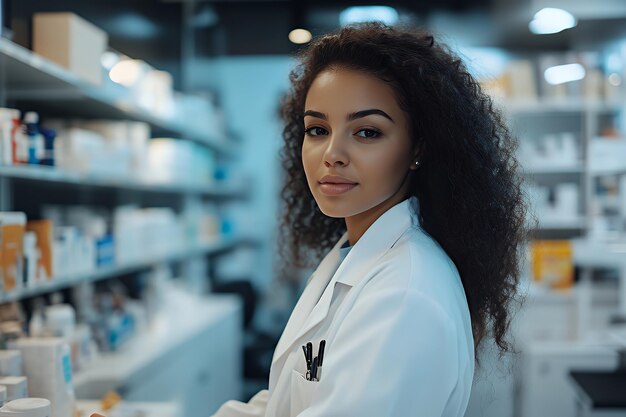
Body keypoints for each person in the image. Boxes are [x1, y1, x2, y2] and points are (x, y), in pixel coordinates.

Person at [94, 22, 528, 417]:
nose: (331, 154)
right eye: (317, 129)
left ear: (418, 148)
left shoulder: (404, 295)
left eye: (367, 131)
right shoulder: (354, 256)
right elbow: (283, 403)